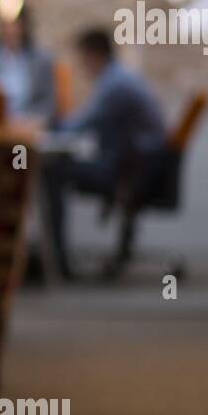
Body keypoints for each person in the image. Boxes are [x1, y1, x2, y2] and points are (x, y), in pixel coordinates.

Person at [43, 27, 167, 279]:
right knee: (58, 164)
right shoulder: (119, 78)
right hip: (138, 166)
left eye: (83, 58)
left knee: (51, 171)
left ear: (95, 54)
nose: (82, 66)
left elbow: (80, 126)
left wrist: (46, 128)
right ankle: (53, 258)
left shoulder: (116, 86)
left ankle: (57, 262)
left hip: (131, 172)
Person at [0, 0, 57, 122]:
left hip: (28, 129)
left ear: (25, 24)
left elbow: (48, 105)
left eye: (16, 23)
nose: (11, 29)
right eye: (6, 24)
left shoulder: (42, 60)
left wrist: (31, 121)